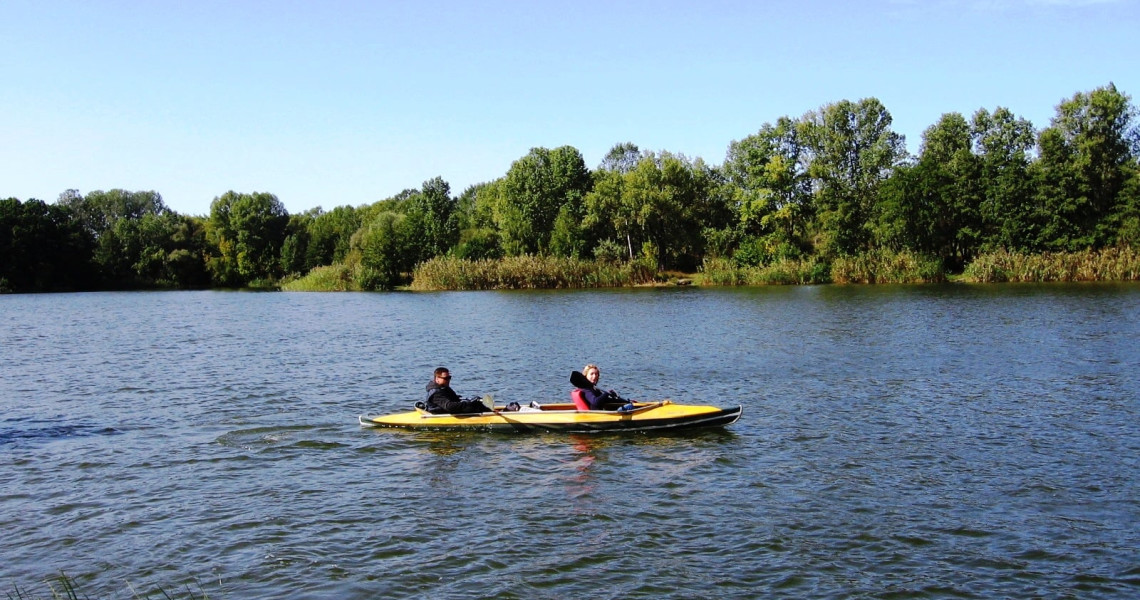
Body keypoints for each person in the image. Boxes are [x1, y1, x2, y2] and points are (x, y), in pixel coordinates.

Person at [424, 367, 493, 414]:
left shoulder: (444, 388)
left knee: (476, 404)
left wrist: (470, 400)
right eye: (446, 378)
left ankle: (493, 412)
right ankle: (492, 415)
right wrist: (468, 403)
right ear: (437, 379)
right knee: (472, 406)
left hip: (449, 410)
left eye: (449, 377)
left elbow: (455, 399)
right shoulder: (436, 393)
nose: (448, 380)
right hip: (442, 413)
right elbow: (449, 406)